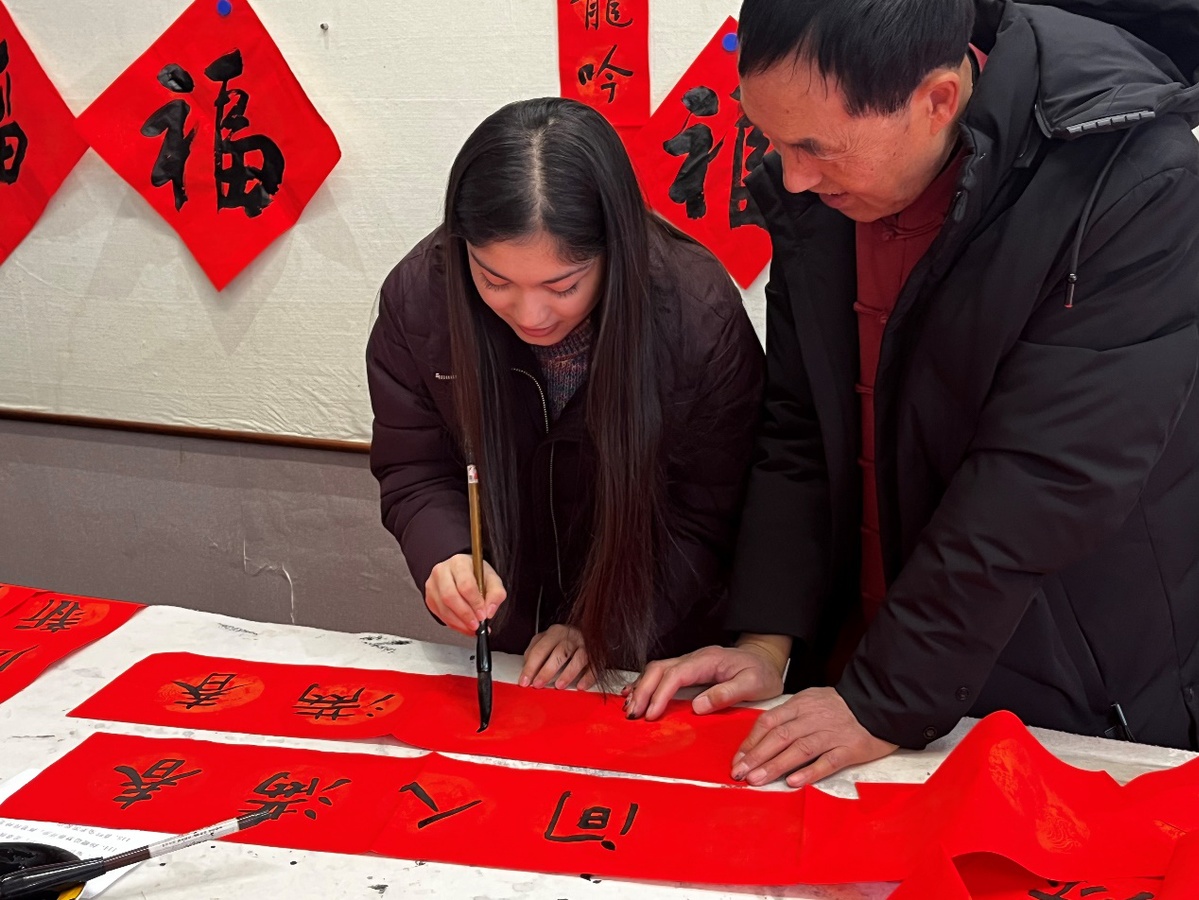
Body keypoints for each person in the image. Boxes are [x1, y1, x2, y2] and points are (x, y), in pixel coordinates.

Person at [626, 0, 1199, 784]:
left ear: (935, 101)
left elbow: (1039, 481)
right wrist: (766, 637)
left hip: (1051, 678)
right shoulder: (819, 190)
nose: (789, 175)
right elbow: (801, 420)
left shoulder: (1130, 183)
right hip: (865, 668)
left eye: (813, 147)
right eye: (771, 139)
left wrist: (886, 697)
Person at [367, 97, 763, 691]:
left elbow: (710, 511)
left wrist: (601, 627)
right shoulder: (422, 301)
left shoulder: (693, 311)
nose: (531, 314)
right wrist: (446, 555)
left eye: (563, 285)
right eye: (495, 280)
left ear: (614, 249)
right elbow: (414, 468)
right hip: (511, 653)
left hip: (660, 658)